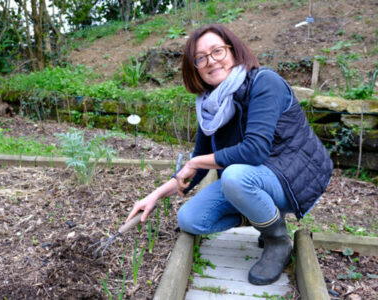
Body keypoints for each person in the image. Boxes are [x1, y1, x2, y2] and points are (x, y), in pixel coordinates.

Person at [126, 24, 333, 285]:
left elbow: (254, 150)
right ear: (195, 68)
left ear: (233, 52)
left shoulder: (264, 83)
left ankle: (277, 240)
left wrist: (195, 162)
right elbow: (200, 161)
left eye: (218, 51)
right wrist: (154, 195)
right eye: (201, 58)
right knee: (189, 219)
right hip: (255, 178)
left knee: (234, 176)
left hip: (295, 175)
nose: (211, 61)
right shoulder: (210, 104)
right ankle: (262, 213)